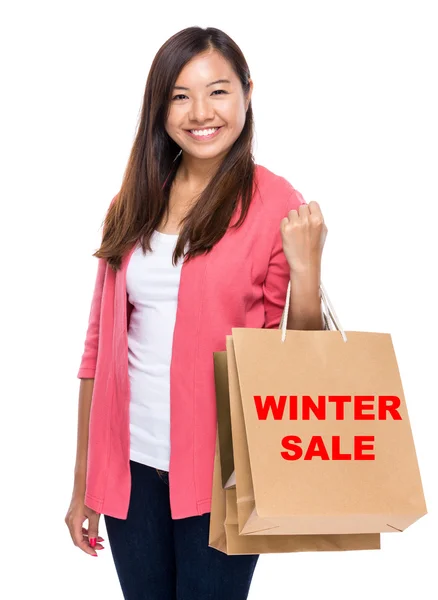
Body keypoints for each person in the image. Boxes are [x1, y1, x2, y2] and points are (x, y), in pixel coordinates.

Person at [65, 25, 327, 600]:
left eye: (218, 91)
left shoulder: (275, 203)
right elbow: (97, 349)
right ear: (159, 106)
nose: (200, 112)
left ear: (247, 94)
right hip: (129, 473)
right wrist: (87, 479)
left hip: (225, 476)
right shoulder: (132, 200)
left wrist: (306, 272)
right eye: (180, 95)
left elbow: (303, 368)